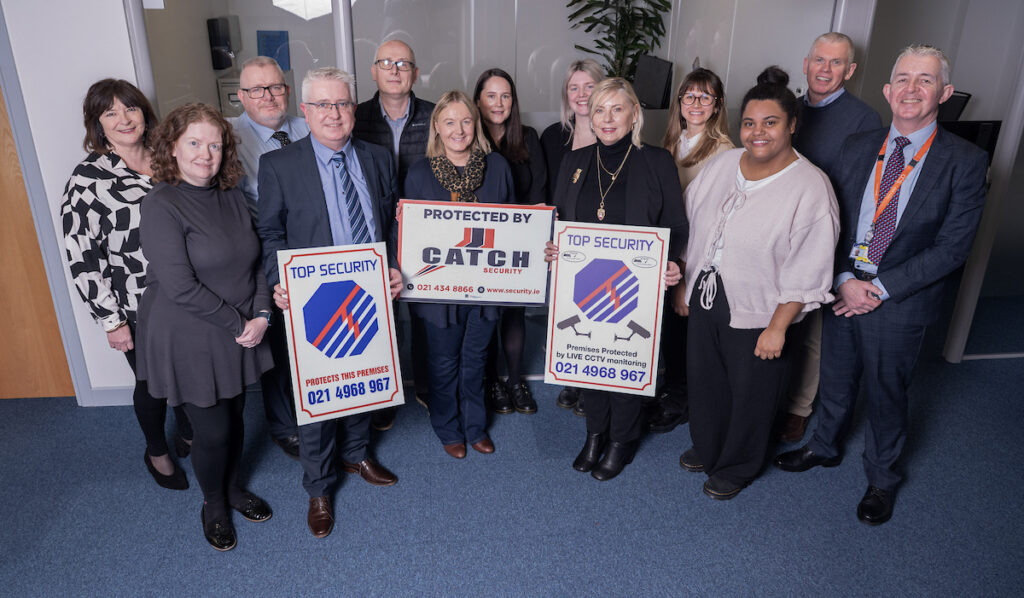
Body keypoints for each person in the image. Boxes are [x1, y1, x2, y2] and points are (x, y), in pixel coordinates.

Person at [774, 45, 988, 525]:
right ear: (888, 91)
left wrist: (881, 289)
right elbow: (831, 220)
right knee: (835, 375)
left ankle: (882, 477)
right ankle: (826, 446)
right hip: (845, 283)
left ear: (945, 93)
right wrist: (845, 279)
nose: (912, 89)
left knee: (887, 390)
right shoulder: (858, 144)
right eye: (904, 79)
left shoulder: (966, 162)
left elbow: (953, 248)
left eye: (925, 80)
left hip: (901, 297)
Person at [678, 66, 839, 501]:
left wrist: (779, 326)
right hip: (708, 294)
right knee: (706, 378)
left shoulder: (810, 187)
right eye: (749, 122)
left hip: (762, 309)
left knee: (751, 392)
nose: (758, 132)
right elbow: (690, 222)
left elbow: (811, 267)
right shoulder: (723, 164)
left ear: (792, 125)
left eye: (770, 122)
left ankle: (738, 464)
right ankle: (710, 445)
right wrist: (683, 284)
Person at [257, 67, 402, 539]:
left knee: (362, 377)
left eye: (341, 104)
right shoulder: (280, 164)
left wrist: (396, 265)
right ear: (305, 111)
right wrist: (281, 279)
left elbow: (391, 220)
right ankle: (319, 486)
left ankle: (357, 453)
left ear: (353, 110)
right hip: (314, 298)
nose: (333, 114)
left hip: (368, 294)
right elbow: (271, 233)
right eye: (322, 105)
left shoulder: (378, 157)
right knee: (318, 396)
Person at [137, 103, 274, 551]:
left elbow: (254, 261)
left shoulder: (232, 193)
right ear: (173, 148)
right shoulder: (161, 203)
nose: (205, 154)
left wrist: (261, 315)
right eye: (194, 143)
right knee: (212, 430)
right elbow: (179, 286)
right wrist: (240, 323)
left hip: (239, 326)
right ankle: (213, 503)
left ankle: (233, 488)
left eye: (214, 144)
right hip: (190, 331)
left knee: (234, 419)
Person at [549, 78, 686, 481]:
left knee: (626, 362)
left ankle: (622, 439)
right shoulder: (574, 162)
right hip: (586, 284)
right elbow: (559, 222)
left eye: (617, 109)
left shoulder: (657, 161)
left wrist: (672, 261)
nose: (607, 119)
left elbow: (676, 224)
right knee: (590, 359)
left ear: (634, 114)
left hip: (636, 287)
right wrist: (553, 247)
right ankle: (595, 433)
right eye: (599, 110)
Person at [60, 79, 193, 491]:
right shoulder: (87, 180)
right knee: (152, 384)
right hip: (138, 304)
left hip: (190, 292)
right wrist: (110, 320)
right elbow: (81, 256)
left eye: (130, 109)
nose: (124, 119)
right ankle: (157, 450)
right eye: (110, 113)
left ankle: (190, 429)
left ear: (144, 112)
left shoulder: (171, 158)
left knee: (190, 372)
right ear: (97, 125)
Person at [780, 32, 883, 444]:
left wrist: (846, 261)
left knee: (812, 328)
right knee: (777, 317)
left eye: (836, 63)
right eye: (819, 60)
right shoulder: (788, 108)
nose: (825, 69)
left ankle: (799, 407)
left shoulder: (864, 119)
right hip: (780, 228)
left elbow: (863, 193)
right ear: (806, 62)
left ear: (850, 70)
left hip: (826, 234)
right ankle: (771, 395)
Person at [403, 90, 515, 459]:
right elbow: (411, 237)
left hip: (484, 289)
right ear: (437, 126)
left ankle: (475, 427)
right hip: (439, 293)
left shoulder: (497, 168)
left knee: (475, 361)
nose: (459, 129)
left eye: (466, 120)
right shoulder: (419, 174)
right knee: (443, 363)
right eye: (449, 121)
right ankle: (448, 428)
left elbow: (513, 225)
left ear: (476, 124)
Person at [229, 55, 310, 460]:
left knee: (319, 336)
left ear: (287, 90)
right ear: (241, 96)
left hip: (317, 250)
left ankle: (325, 409)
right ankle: (285, 425)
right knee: (278, 345)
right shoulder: (229, 139)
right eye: (257, 89)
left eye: (275, 87)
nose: (268, 96)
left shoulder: (306, 126)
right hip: (268, 254)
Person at [353, 39, 436, 429]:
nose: (395, 69)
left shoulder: (436, 116)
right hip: (374, 228)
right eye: (386, 62)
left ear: (415, 74)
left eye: (404, 63)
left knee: (424, 313)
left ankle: (425, 383)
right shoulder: (354, 117)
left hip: (426, 234)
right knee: (380, 314)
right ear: (374, 71)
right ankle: (382, 392)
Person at [648, 67, 734, 434]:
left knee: (685, 330)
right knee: (667, 328)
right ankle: (671, 389)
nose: (696, 103)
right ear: (679, 103)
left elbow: (714, 222)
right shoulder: (670, 142)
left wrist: (685, 274)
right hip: (667, 254)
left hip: (693, 259)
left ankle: (682, 398)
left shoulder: (725, 153)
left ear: (716, 106)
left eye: (705, 97)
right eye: (689, 96)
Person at [473, 67, 548, 416]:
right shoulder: (467, 138)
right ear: (478, 100)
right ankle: (491, 382)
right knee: (486, 314)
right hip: (481, 246)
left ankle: (515, 379)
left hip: (521, 243)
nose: (498, 103)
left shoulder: (529, 137)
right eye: (491, 95)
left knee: (515, 314)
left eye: (505, 96)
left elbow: (539, 193)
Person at [540, 58, 604, 415]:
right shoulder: (553, 136)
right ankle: (572, 377)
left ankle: (593, 385)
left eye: (589, 86)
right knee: (565, 309)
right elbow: (548, 191)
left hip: (602, 241)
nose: (581, 95)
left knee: (598, 309)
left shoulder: (614, 132)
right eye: (574, 87)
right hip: (562, 240)